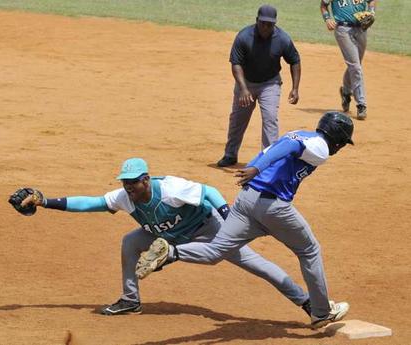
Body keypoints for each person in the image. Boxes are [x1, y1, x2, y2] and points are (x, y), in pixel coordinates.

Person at [137, 112, 353, 329]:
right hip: (272, 207)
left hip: (246, 201)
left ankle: (171, 252)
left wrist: (254, 167)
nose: (340, 148)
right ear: (337, 139)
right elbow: (285, 149)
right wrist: (256, 169)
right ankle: (322, 312)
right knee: (309, 250)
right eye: (342, 143)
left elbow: (280, 146)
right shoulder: (321, 147)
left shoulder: (300, 134)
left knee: (216, 251)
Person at [15, 157, 312, 316]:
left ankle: (306, 302)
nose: (128, 187)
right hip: (165, 237)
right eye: (125, 182)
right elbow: (91, 202)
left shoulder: (169, 188)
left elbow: (207, 191)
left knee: (256, 264)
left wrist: (227, 214)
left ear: (146, 179)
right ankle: (130, 300)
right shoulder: (125, 197)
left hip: (208, 230)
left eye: (133, 182)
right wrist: (46, 201)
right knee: (131, 241)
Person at [217, 4, 301, 167]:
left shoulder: (282, 38)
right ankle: (230, 154)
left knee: (270, 118)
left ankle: (269, 160)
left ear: (274, 24)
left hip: (270, 83)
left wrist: (295, 88)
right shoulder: (244, 36)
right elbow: (236, 64)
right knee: (238, 120)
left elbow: (295, 61)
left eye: (270, 24)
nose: (266, 27)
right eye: (263, 23)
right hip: (246, 83)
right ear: (257, 21)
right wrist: (243, 88)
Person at [320, 0, 377, 120]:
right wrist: (327, 19)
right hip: (343, 30)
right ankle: (361, 104)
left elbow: (372, 1)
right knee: (355, 67)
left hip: (362, 29)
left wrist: (371, 12)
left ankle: (346, 92)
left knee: (355, 66)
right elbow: (324, 5)